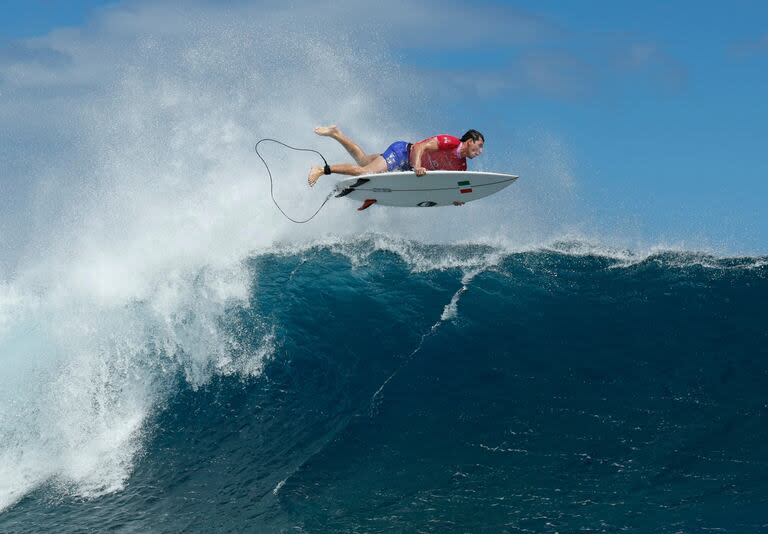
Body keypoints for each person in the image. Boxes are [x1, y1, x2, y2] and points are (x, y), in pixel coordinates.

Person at [307, 125, 484, 187]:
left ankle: (335, 133)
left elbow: (446, 185)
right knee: (364, 172)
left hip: (407, 167)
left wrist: (456, 199)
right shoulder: (451, 142)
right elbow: (419, 146)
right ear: (469, 141)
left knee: (362, 161)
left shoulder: (461, 166)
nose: (480, 151)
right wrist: (417, 167)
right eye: (479, 146)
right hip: (402, 154)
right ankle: (322, 169)